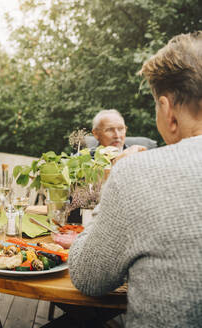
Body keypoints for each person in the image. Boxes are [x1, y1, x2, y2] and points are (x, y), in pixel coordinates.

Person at [69, 31, 202, 327]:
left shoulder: (136, 170)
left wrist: (117, 177)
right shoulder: (91, 163)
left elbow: (88, 276)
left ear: (167, 110)